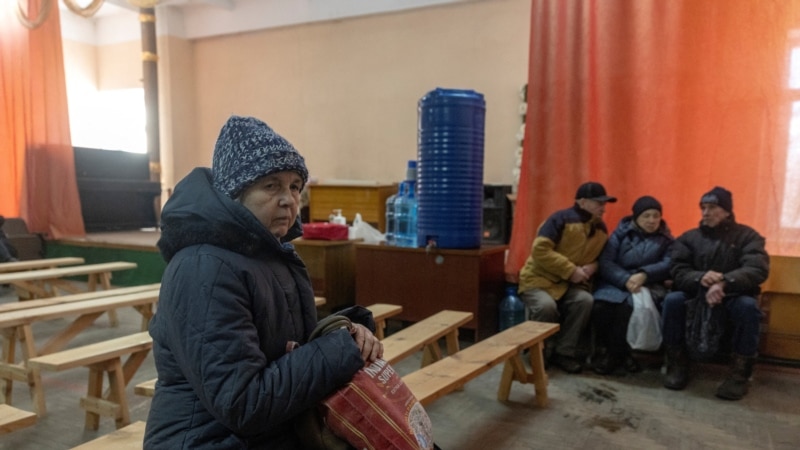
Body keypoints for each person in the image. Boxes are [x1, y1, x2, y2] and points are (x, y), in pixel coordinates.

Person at [144, 115, 383, 448]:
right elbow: (243, 403)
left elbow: (285, 348)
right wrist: (338, 350)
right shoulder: (204, 268)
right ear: (235, 193)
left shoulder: (269, 254)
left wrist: (347, 332)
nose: (288, 199)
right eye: (271, 186)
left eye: (295, 186)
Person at [661, 186, 769, 400]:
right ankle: (677, 364)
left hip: (732, 294)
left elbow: (757, 268)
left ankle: (739, 375)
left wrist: (725, 282)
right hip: (695, 293)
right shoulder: (688, 238)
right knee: (673, 301)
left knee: (748, 308)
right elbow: (678, 269)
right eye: (703, 207)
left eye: (712, 208)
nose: (706, 213)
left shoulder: (748, 237)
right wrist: (700, 277)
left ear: (727, 211)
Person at [518, 181, 617, 373]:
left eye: (604, 204)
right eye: (598, 203)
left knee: (584, 301)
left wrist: (593, 267)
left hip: (569, 286)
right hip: (538, 280)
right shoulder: (560, 219)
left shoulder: (601, 229)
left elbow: (601, 258)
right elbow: (540, 250)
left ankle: (564, 352)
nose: (603, 208)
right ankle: (539, 353)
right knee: (546, 306)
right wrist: (571, 271)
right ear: (582, 201)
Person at [591, 196, 674, 375]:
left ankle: (616, 355)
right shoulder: (620, 234)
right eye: (646, 216)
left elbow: (669, 263)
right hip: (616, 282)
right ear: (636, 217)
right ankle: (610, 352)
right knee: (601, 306)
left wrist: (645, 274)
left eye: (656, 216)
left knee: (626, 308)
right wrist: (625, 279)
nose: (652, 220)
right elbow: (606, 261)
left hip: (649, 285)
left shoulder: (666, 239)